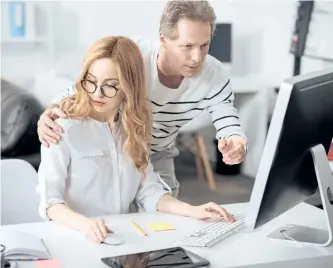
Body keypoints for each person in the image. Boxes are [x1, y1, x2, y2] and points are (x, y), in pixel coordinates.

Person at [37, 1, 248, 198]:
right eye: (187, 46)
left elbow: (226, 114)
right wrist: (50, 111)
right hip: (118, 147)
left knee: (167, 212)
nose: (197, 57)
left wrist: (236, 140)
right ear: (163, 39)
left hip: (158, 152)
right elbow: (86, 86)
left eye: (204, 45)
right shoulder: (134, 56)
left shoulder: (214, 74)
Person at [36, 36, 235, 244]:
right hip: (74, 238)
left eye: (110, 86)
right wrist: (85, 225)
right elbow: (50, 202)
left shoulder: (133, 126)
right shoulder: (62, 127)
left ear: (128, 87)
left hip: (122, 237)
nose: (97, 93)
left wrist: (193, 210)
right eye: (91, 82)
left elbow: (149, 191)